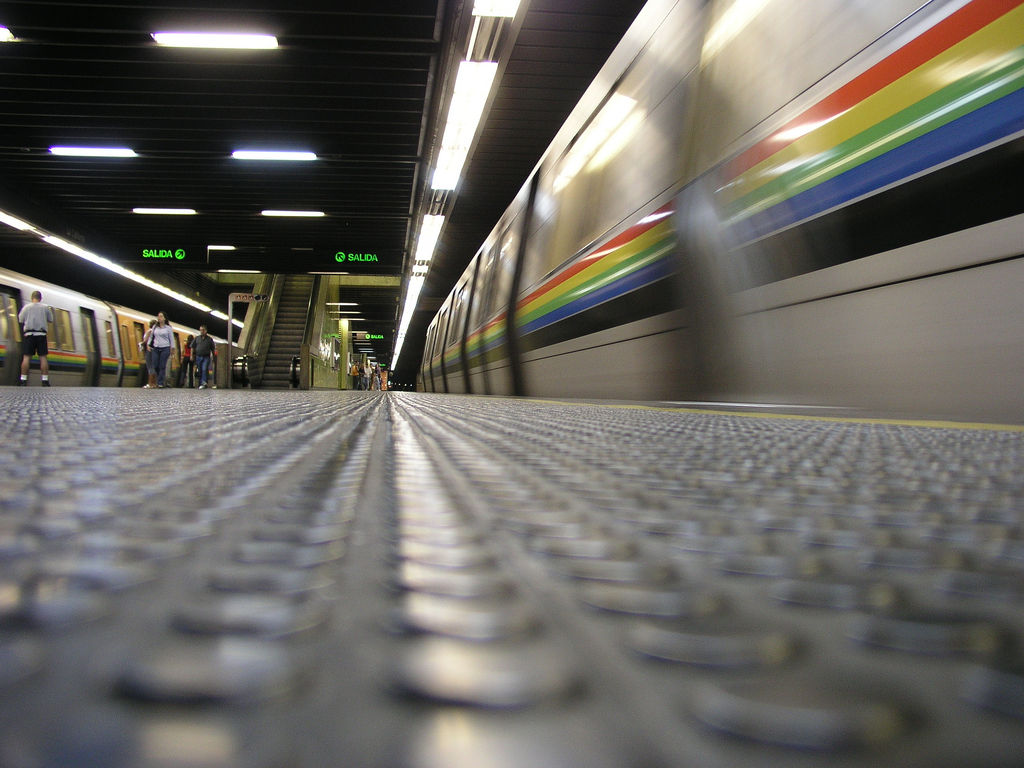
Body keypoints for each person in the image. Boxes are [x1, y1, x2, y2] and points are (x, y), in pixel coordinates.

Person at [18, 290, 54, 386]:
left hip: (29, 335)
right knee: (43, 358)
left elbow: (20, 319)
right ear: (40, 298)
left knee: (26, 358)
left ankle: (23, 380)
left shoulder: (26, 307)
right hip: (41, 335)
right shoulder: (45, 307)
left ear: (32, 298)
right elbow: (51, 319)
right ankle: (45, 380)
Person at [149, 312, 174, 388]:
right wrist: (148, 344)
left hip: (165, 348)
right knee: (155, 365)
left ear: (164, 318)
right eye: (158, 316)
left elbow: (171, 339)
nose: (159, 318)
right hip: (156, 347)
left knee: (162, 366)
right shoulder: (154, 327)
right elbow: (151, 336)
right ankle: (159, 379)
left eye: (161, 316)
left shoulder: (168, 328)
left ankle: (160, 382)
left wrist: (172, 348)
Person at [191, 325, 216, 389]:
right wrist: (191, 355)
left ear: (206, 331)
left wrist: (214, 357)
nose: (201, 331)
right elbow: (192, 347)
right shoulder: (197, 338)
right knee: (200, 370)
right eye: (200, 330)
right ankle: (201, 383)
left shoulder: (209, 339)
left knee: (204, 368)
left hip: (206, 357)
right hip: (198, 356)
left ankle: (204, 383)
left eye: (203, 330)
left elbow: (213, 349)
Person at [139, 319, 156, 388]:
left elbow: (145, 341)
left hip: (149, 350)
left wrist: (140, 344)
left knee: (150, 367)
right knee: (154, 367)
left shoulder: (150, 331)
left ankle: (150, 384)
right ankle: (154, 384)